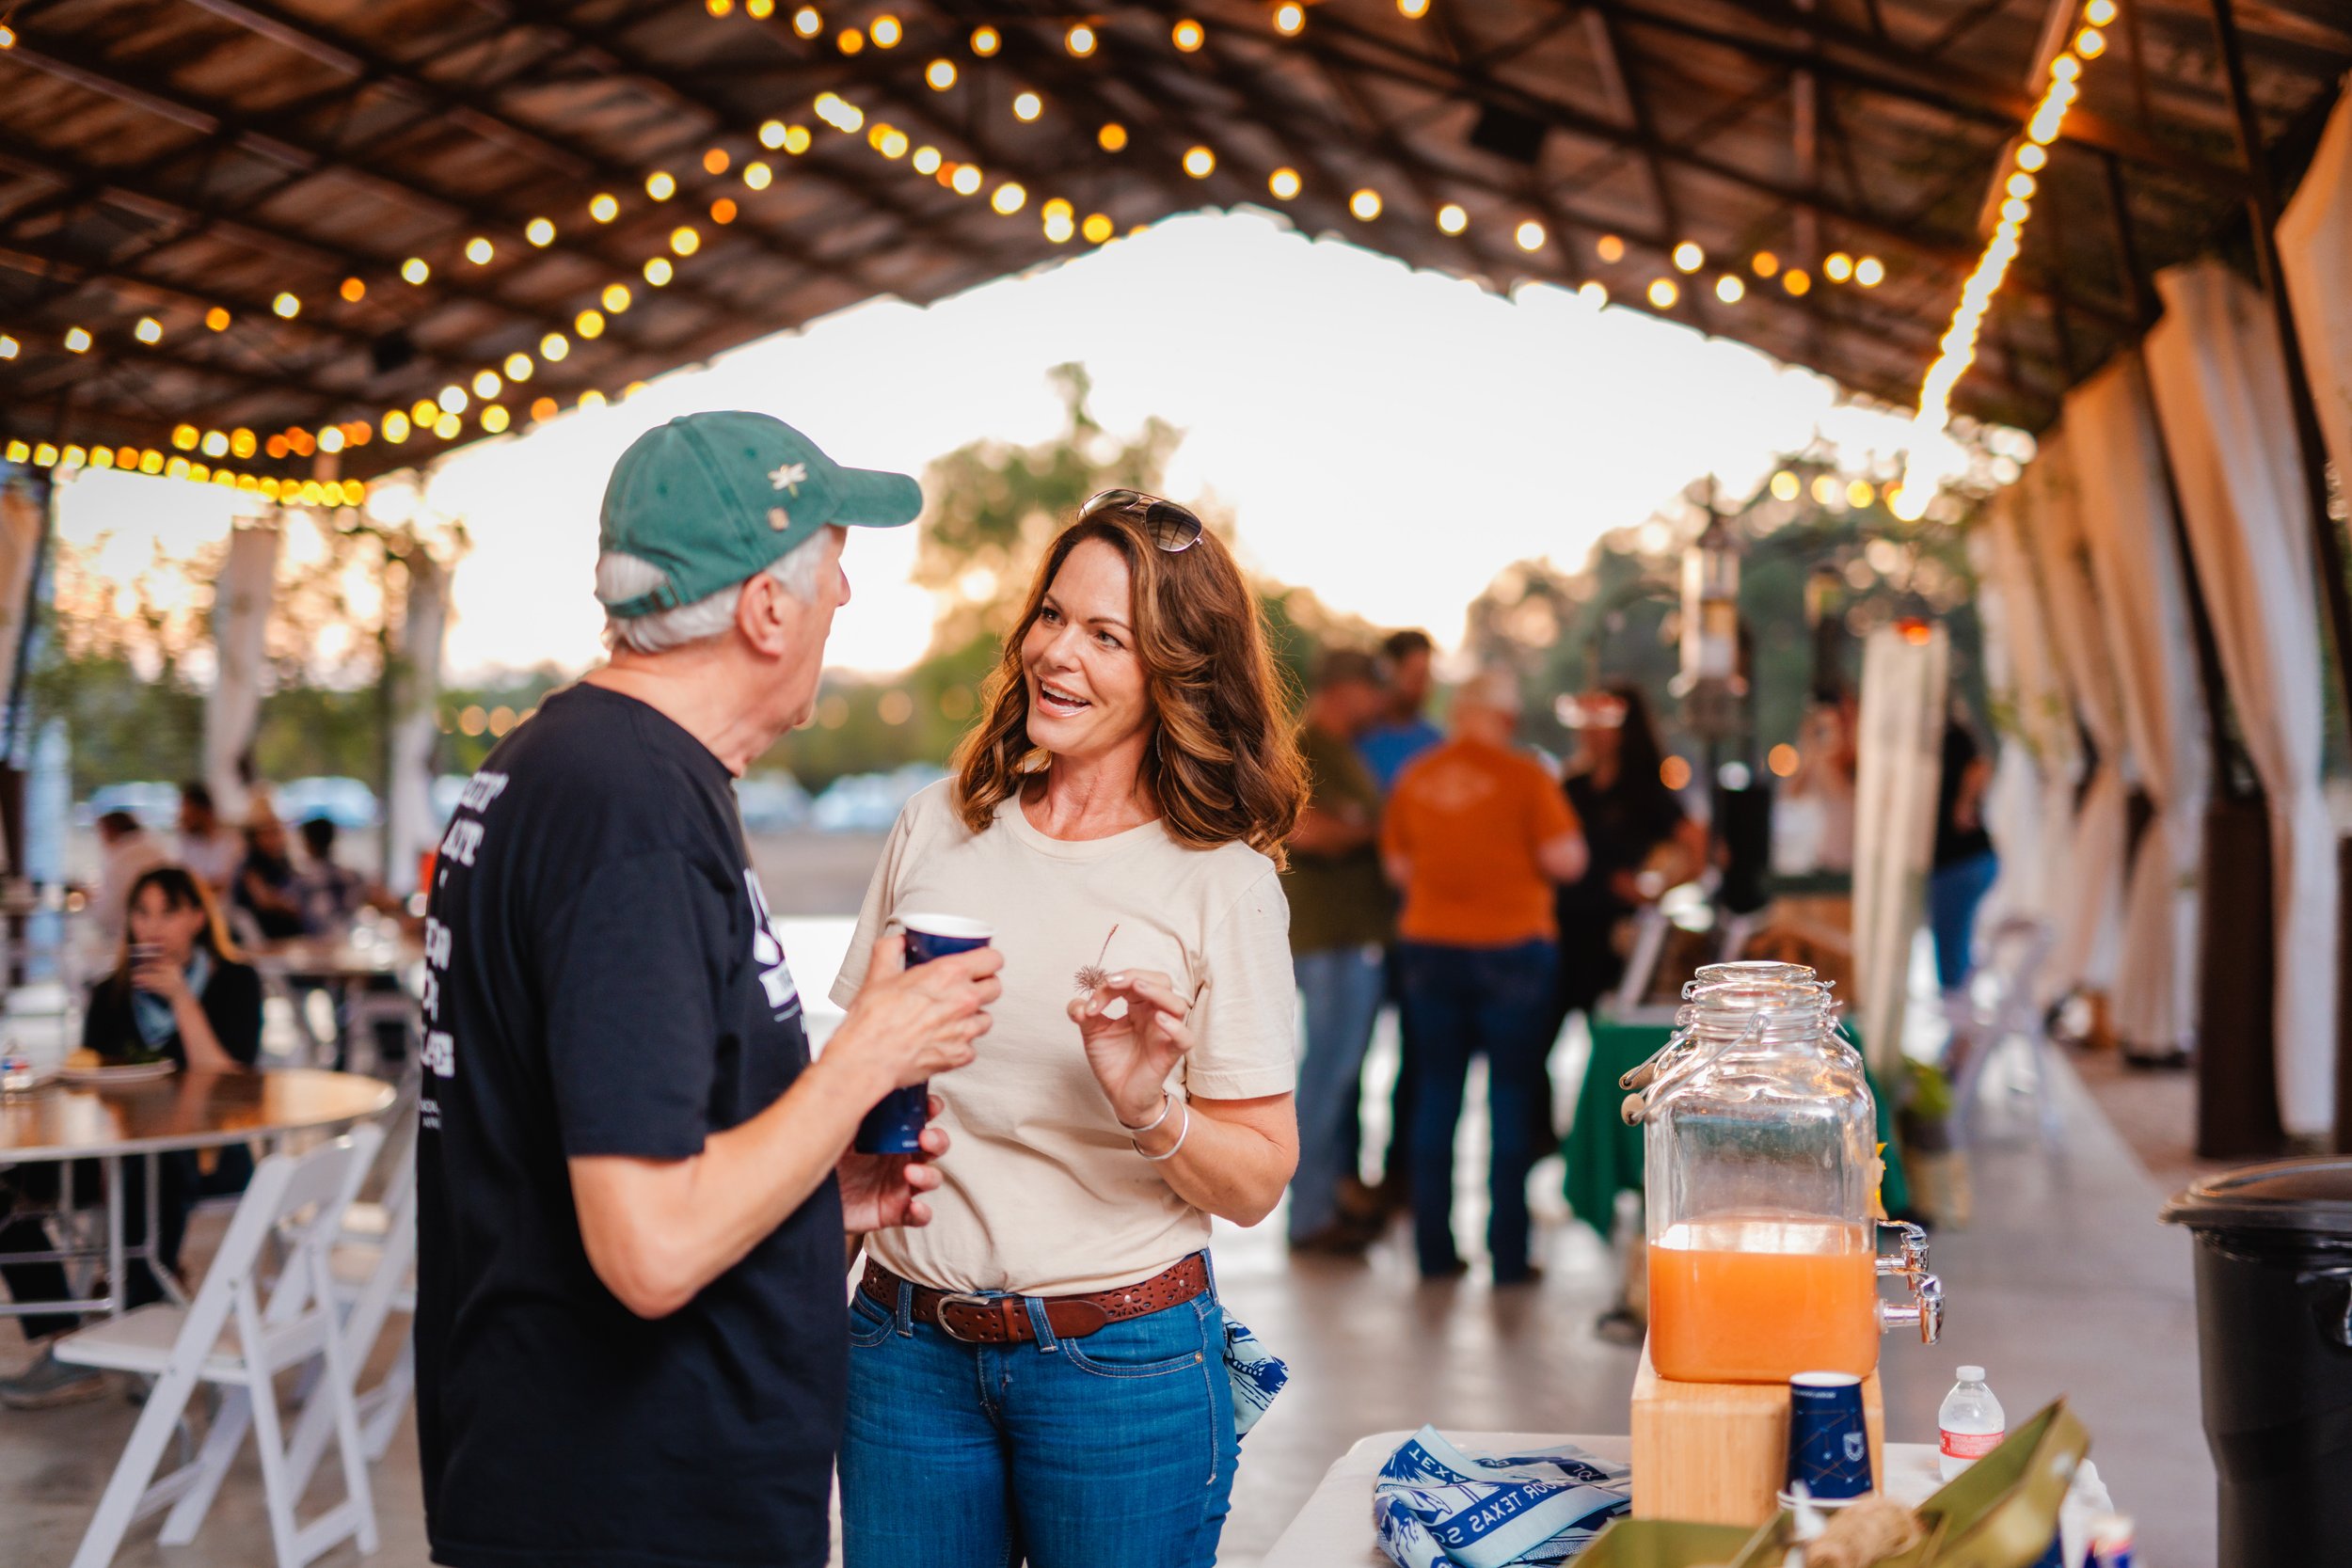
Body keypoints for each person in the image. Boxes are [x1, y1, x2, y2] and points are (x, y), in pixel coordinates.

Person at [413, 412, 1004, 1568]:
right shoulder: (627, 814)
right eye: (835, 563)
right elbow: (649, 1248)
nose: (845, 595)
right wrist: (862, 1060)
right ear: (765, 608)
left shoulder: (573, 767)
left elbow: (599, 1141)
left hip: (587, 1476)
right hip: (625, 1505)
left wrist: (811, 1198)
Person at [831, 490, 1306, 1568]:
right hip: (903, 1350)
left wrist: (1150, 1105)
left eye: (1107, 636)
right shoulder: (939, 824)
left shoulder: (1220, 884)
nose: (1058, 654)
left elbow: (1256, 1178)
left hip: (1121, 1368)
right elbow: (854, 1088)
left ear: (1174, 671)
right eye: (1052, 616)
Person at [0, 865, 262, 1407]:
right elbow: (92, 1074)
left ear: (196, 916)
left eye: (168, 912)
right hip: (110, 1148)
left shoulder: (235, 982)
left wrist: (182, 1000)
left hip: (209, 1151)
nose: (153, 927)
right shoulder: (111, 993)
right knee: (7, 1190)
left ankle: (143, 1329)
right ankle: (66, 1340)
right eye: (142, 913)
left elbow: (232, 1081)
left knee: (151, 1170)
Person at [1382, 671, 1586, 1284]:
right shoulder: (1526, 776)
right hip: (1512, 949)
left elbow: (1397, 866)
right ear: (1502, 717)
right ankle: (1508, 1253)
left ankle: (1433, 1250)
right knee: (1511, 1097)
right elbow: (1567, 860)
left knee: (1436, 1095)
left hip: (1429, 945)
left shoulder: (1415, 776)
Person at [1282, 647, 1391, 1255]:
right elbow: (1302, 829)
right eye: (1373, 691)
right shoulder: (1305, 748)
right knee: (1325, 1078)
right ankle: (1308, 1215)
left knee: (1338, 1078)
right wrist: (1370, 829)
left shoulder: (1342, 749)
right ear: (1347, 688)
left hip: (1349, 937)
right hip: (1328, 940)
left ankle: (1323, 1202)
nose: (1379, 704)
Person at [1549, 683, 1707, 1030]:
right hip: (1561, 926)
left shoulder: (1643, 791)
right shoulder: (1572, 786)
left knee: (1606, 1030)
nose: (1591, 731)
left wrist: (1655, 891)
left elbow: (1700, 848)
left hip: (1614, 934)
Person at [1355, 628, 1445, 1215]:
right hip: (1361, 918)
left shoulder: (1436, 743)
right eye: (1412, 672)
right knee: (1348, 1059)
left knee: (1417, 1057)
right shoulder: (1356, 741)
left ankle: (1401, 1179)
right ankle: (1342, 1181)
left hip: (1422, 924)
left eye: (1427, 673)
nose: (1422, 684)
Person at [1930, 710, 1998, 994]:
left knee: (1951, 947)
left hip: (1961, 859)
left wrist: (1965, 805)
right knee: (1954, 942)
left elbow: (1980, 766)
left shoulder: (1950, 733)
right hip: (1961, 860)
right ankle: (1961, 1015)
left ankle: (1961, 1024)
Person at [89, 808, 169, 947]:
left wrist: (90, 905)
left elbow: (107, 914)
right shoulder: (156, 850)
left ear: (111, 829)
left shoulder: (121, 860)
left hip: (129, 939)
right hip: (161, 934)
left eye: (101, 832)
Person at [292, 816, 379, 935]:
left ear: (307, 843)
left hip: (315, 945)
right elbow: (375, 897)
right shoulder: (352, 876)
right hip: (348, 940)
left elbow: (285, 905)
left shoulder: (302, 880)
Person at [231, 803, 307, 942]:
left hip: (286, 932)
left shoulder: (281, 862)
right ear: (255, 837)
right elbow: (264, 901)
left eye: (277, 832)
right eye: (268, 833)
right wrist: (289, 905)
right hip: (263, 934)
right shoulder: (251, 865)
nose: (275, 839)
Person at [176, 782, 240, 895]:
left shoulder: (231, 841)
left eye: (186, 810)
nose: (182, 817)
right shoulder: (188, 842)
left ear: (203, 811)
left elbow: (223, 885)